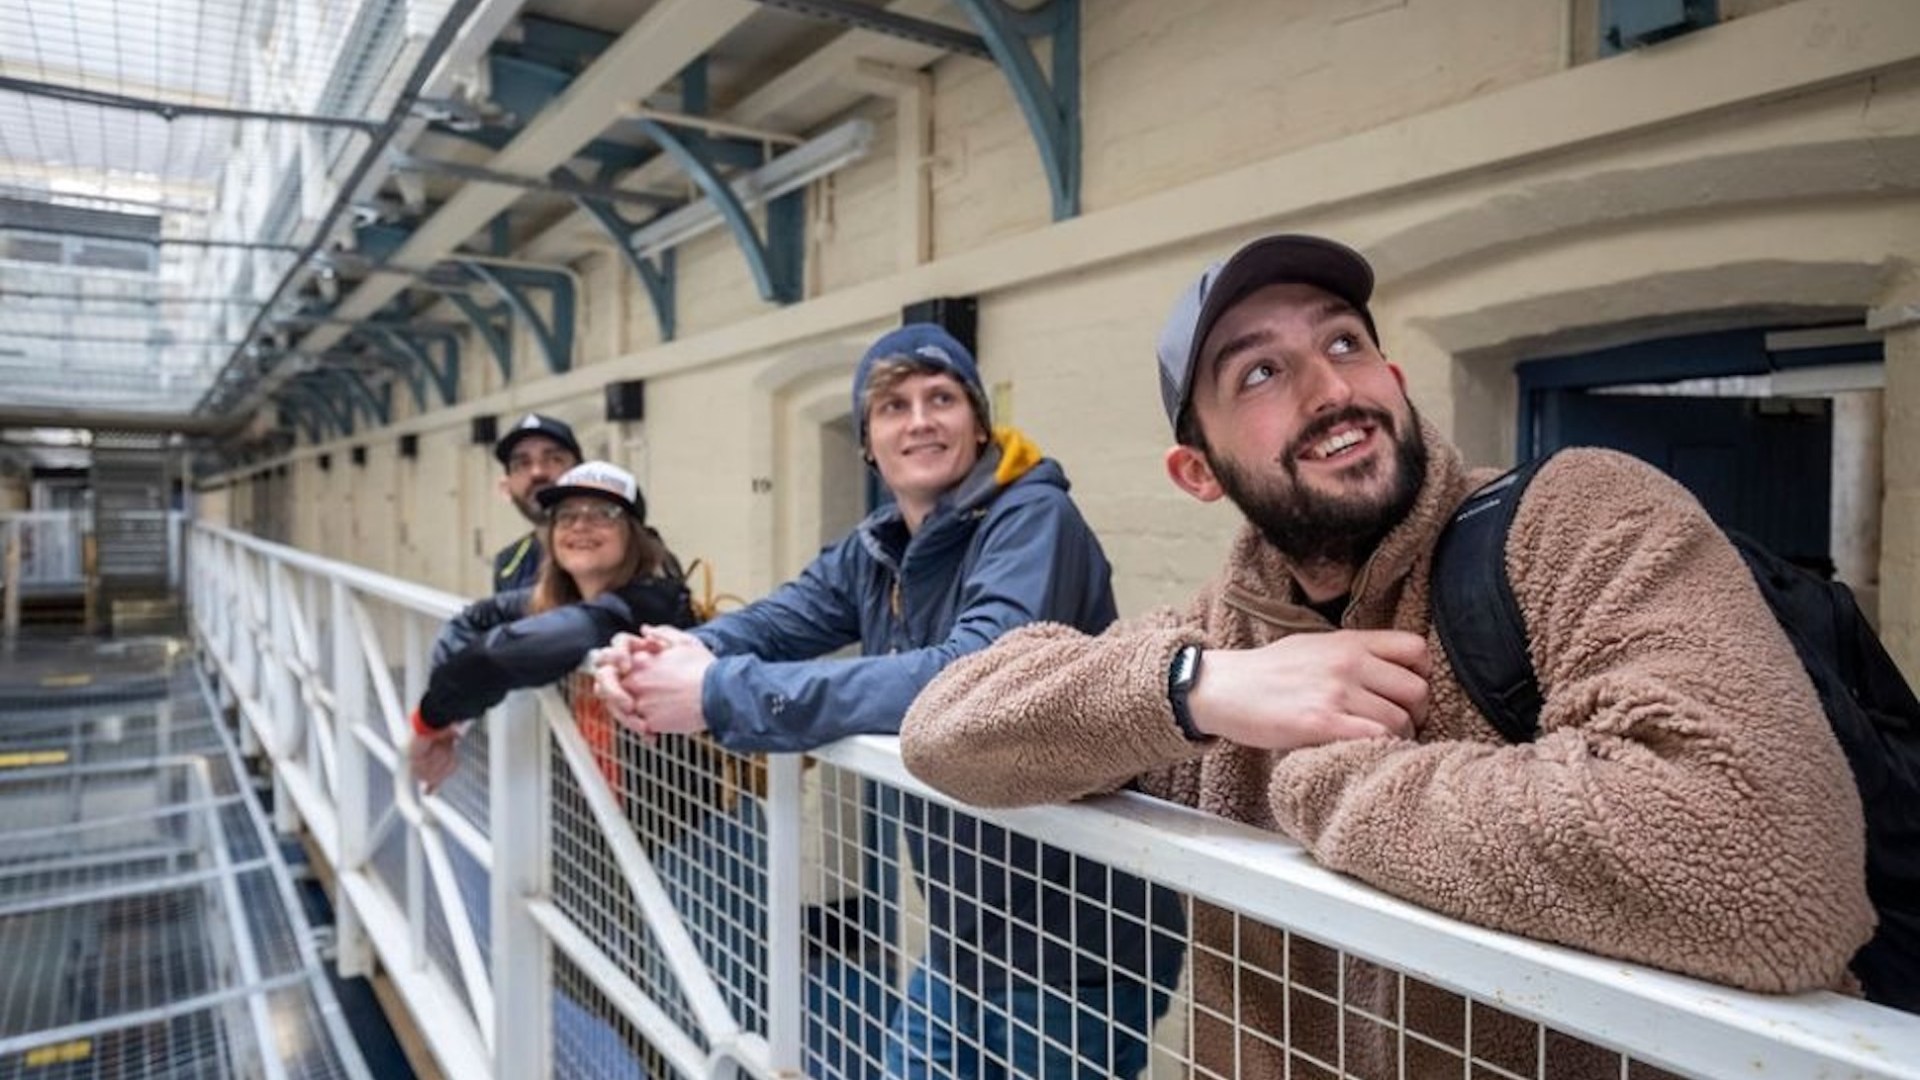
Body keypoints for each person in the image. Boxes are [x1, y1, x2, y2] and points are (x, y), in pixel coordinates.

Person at [898, 234, 1875, 1076]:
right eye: (1261, 373)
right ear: (1197, 472)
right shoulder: (1224, 632)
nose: (1331, 388)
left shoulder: (1576, 520)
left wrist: (1337, 787)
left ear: (1394, 383)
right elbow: (945, 729)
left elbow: (1773, 869)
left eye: (1344, 342)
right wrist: (1199, 689)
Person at [591, 324, 1187, 1079]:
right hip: (961, 936)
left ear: (978, 422)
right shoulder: (876, 548)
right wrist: (670, 651)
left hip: (1074, 941)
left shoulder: (1034, 521)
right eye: (893, 406)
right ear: (869, 443)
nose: (920, 420)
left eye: (941, 399)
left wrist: (716, 693)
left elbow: (971, 673)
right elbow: (780, 619)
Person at [410, 460, 695, 790]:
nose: (580, 526)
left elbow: (499, 655)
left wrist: (429, 720)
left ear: (634, 534)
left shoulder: (653, 599)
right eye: (566, 515)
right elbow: (474, 619)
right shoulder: (563, 599)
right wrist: (453, 722)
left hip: (685, 820)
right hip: (593, 809)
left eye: (603, 513)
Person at [490, 412, 583, 593]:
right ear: (506, 487)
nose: (537, 472)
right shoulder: (509, 564)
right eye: (522, 463)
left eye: (554, 459)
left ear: (581, 473)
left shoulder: (613, 548)